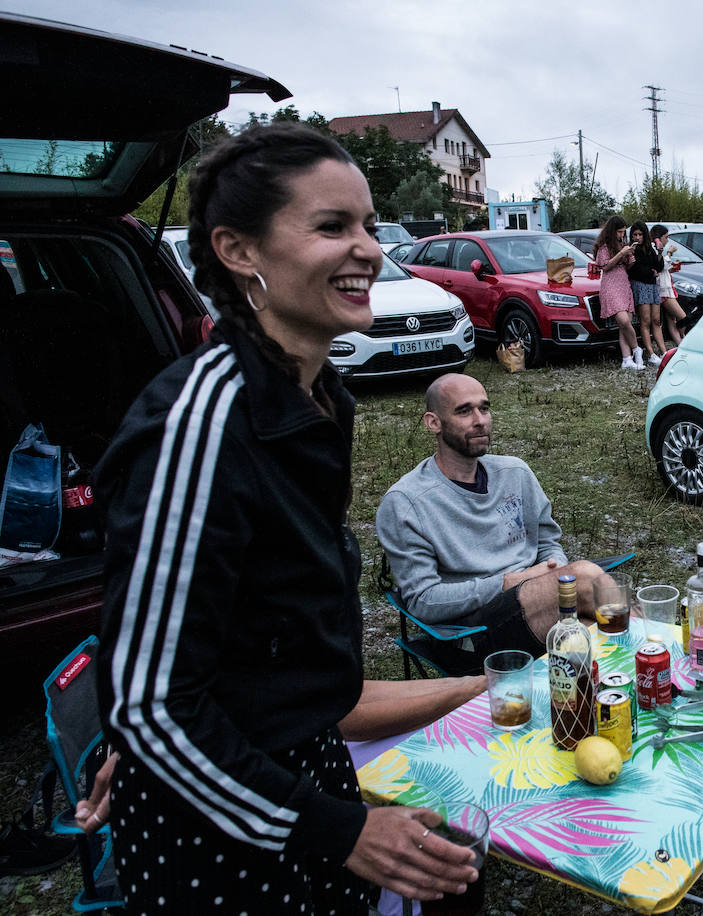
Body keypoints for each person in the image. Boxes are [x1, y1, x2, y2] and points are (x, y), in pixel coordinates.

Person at [93, 123, 478, 913]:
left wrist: (335, 814)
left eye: (369, 225)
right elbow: (148, 706)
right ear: (239, 251)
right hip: (211, 828)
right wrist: (338, 831)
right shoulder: (202, 422)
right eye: (333, 226)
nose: (368, 249)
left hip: (308, 766)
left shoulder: (320, 400)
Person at [376, 373, 609, 663]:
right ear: (433, 422)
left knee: (594, 635)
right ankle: (665, 651)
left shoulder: (514, 472)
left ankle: (659, 684)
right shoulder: (406, 503)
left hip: (539, 600)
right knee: (586, 580)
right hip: (474, 632)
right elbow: (423, 601)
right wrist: (511, 581)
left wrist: (555, 566)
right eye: (464, 411)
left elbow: (548, 541)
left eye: (484, 408)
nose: (480, 420)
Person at [75, 676, 488, 833]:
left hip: (297, 776)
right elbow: (333, 712)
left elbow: (341, 690)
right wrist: (461, 694)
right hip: (240, 796)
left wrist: (469, 686)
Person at [592, 216, 641, 369]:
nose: (621, 235)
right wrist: (621, 254)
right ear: (612, 231)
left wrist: (630, 256)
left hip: (623, 283)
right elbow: (605, 266)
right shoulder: (604, 247)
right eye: (619, 232)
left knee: (623, 325)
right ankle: (637, 349)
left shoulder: (623, 245)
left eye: (623, 232)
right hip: (610, 284)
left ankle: (626, 359)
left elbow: (628, 267)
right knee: (624, 320)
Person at [626, 220, 665, 366]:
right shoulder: (631, 250)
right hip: (640, 285)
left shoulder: (649, 249)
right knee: (645, 320)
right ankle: (650, 352)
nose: (637, 237)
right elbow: (637, 270)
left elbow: (658, 267)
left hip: (651, 286)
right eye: (634, 234)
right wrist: (651, 273)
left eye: (640, 234)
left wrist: (660, 252)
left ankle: (663, 351)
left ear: (645, 235)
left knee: (656, 320)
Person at [651, 225, 687, 345]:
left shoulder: (658, 249)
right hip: (663, 290)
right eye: (666, 237)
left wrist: (671, 269)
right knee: (682, 317)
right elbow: (659, 265)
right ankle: (684, 338)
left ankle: (680, 343)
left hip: (667, 287)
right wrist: (670, 253)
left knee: (671, 319)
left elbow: (663, 269)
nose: (667, 240)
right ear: (659, 238)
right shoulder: (654, 248)